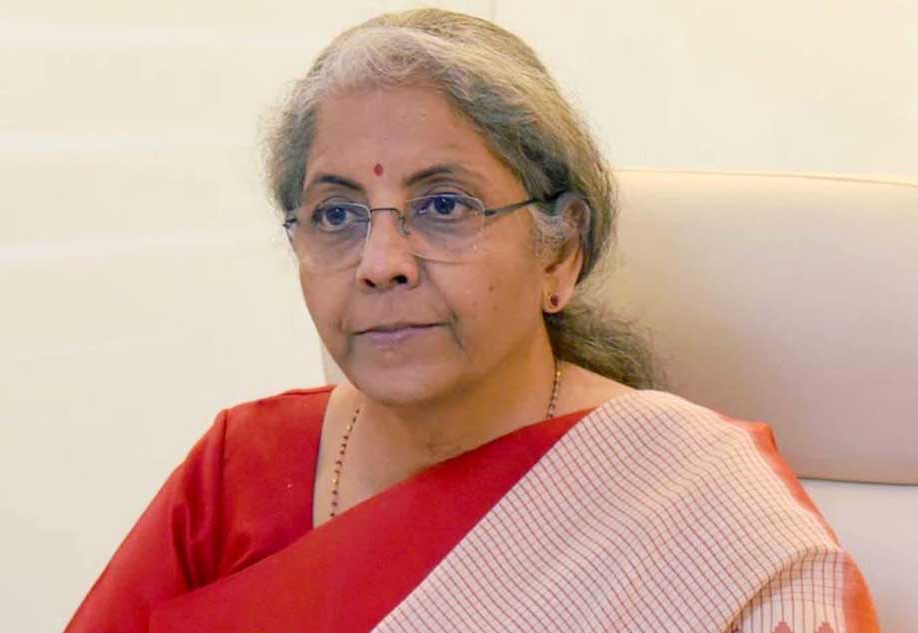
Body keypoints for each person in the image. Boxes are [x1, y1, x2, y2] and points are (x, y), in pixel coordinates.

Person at [65, 9, 878, 633]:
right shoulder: (239, 472)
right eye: (336, 214)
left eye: (444, 205)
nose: (380, 261)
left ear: (560, 255)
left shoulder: (703, 511)